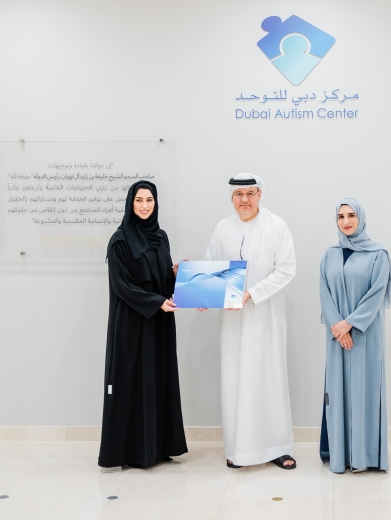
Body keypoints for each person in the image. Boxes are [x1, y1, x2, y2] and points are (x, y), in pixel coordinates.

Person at [201, 173, 297, 469]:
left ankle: (278, 448)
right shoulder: (223, 227)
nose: (245, 200)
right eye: (239, 194)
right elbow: (211, 266)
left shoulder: (276, 226)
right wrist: (203, 294)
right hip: (232, 323)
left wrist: (251, 294)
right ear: (232, 198)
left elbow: (286, 269)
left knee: (268, 379)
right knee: (235, 380)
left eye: (250, 193)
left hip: (265, 317)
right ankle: (239, 450)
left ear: (260, 195)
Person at [98, 180, 188, 468]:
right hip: (133, 325)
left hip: (159, 324)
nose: (145, 205)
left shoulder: (161, 237)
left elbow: (162, 280)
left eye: (149, 200)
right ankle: (133, 452)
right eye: (139, 200)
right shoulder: (120, 240)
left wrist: (177, 275)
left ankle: (158, 448)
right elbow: (121, 285)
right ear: (130, 203)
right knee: (133, 384)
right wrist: (156, 302)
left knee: (158, 381)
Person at [319, 198, 391, 474]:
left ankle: (365, 456)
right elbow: (324, 293)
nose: (346, 221)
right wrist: (338, 327)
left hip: (365, 335)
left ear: (361, 218)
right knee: (337, 390)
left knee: (366, 390)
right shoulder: (329, 255)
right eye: (341, 217)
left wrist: (350, 324)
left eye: (351, 215)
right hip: (336, 337)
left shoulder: (379, 254)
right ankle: (340, 454)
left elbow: (376, 294)